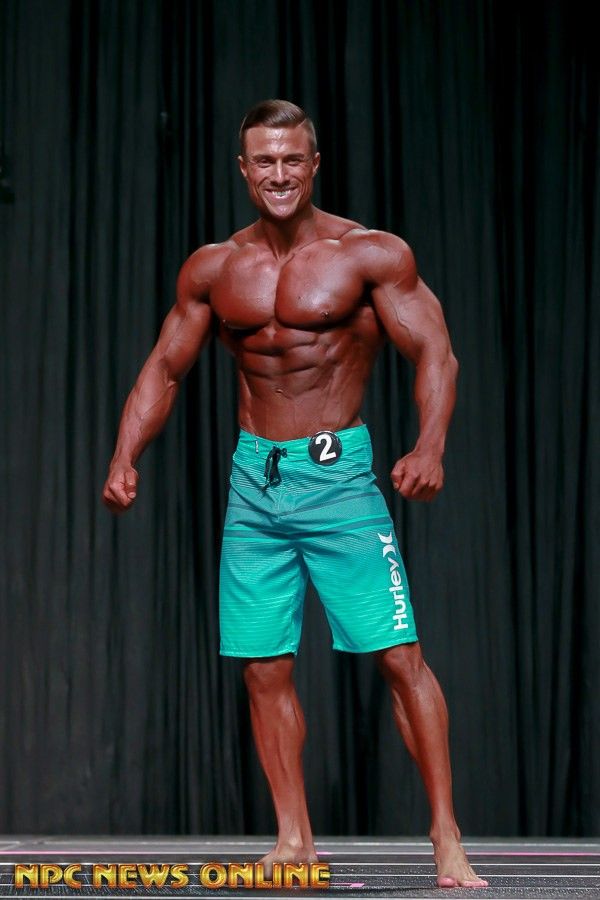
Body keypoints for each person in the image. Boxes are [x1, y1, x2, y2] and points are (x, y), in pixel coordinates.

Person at [102, 99, 488, 889]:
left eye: (291, 160)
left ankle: (446, 834)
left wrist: (430, 445)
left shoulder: (369, 254)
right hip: (255, 482)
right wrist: (123, 455)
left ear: (314, 166)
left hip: (338, 478)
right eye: (263, 161)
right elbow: (165, 368)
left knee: (398, 656)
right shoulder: (214, 268)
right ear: (243, 170)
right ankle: (293, 838)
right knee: (262, 666)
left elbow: (436, 354)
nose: (278, 174)